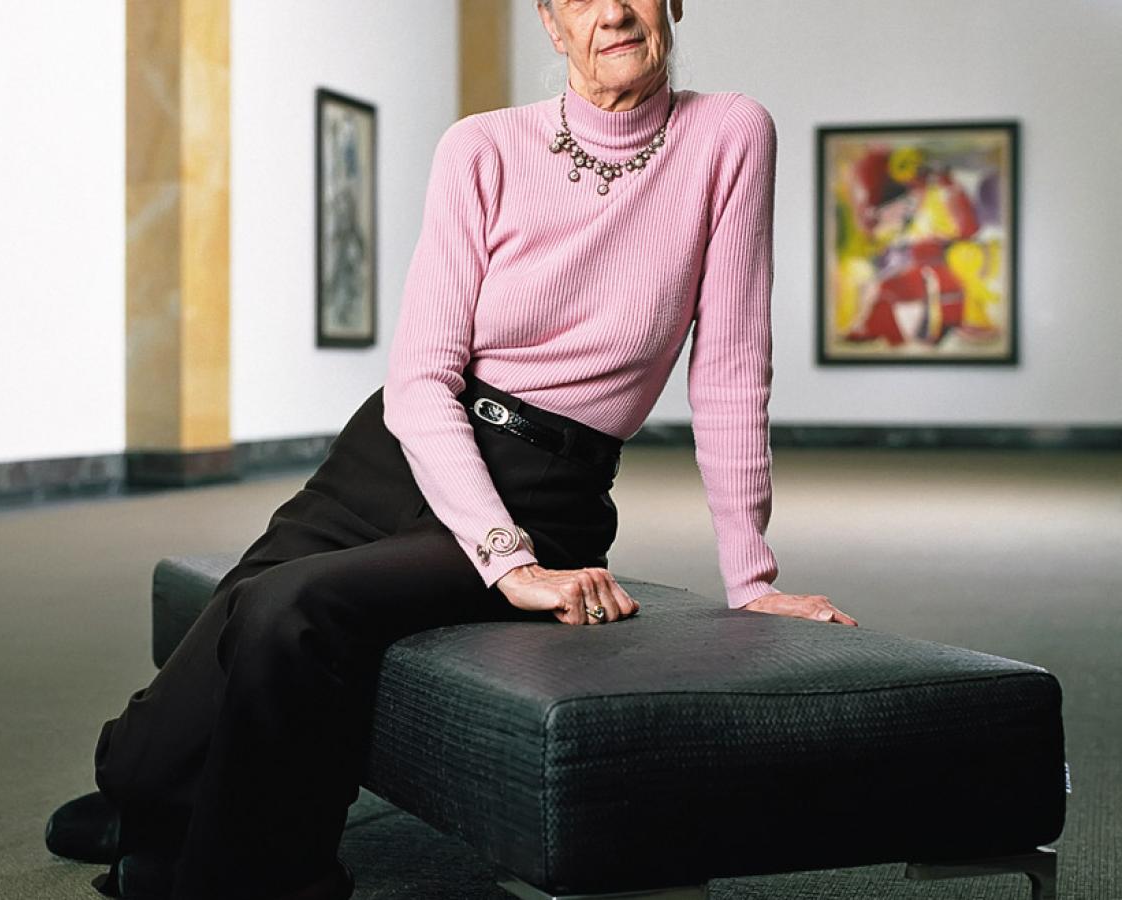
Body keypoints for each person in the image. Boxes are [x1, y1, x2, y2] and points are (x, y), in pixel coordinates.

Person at [48, 1, 857, 897]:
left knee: (288, 609)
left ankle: (252, 877)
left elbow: (731, 368)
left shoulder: (729, 135)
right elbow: (421, 375)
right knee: (149, 746)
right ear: (551, 23)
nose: (613, 12)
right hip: (400, 448)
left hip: (544, 488)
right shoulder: (481, 147)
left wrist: (750, 581)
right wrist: (502, 557)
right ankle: (152, 803)